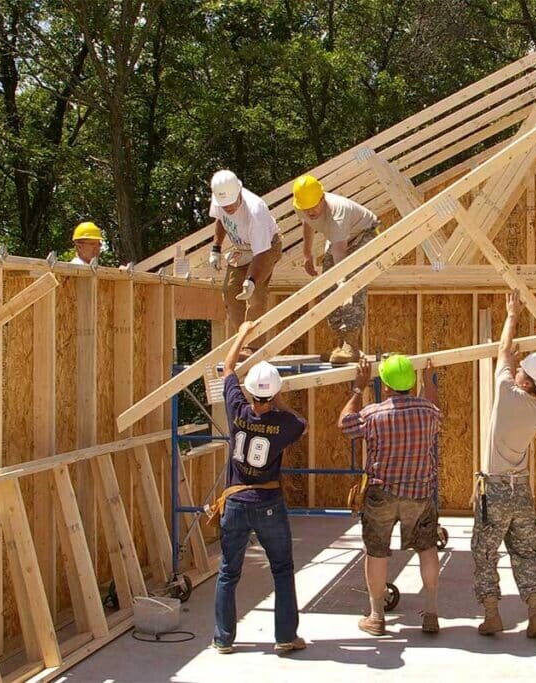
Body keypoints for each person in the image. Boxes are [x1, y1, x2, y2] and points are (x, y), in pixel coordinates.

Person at [211, 320, 308, 655]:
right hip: (267, 502)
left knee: (228, 573)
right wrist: (278, 403)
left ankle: (223, 639)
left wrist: (241, 333)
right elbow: (301, 423)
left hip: (236, 503)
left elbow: (227, 369)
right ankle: (285, 637)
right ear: (276, 393)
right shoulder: (284, 424)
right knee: (281, 569)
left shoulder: (237, 409)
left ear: (250, 392)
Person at [473, 290, 536, 639]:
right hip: (520, 489)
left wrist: (512, 315)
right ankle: (535, 611)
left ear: (524, 379)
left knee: (485, 552)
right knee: (524, 552)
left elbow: (504, 352)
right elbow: (512, 361)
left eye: (521, 370)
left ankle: (493, 614)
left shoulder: (506, 392)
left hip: (494, 488)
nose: (515, 369)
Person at [339, 354, 442, 636]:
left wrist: (358, 388)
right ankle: (431, 614)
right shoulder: (427, 412)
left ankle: (376, 616)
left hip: (381, 493)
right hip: (419, 493)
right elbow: (433, 405)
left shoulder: (374, 414)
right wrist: (429, 381)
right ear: (411, 382)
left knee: (377, 552)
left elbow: (345, 424)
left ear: (384, 385)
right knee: (427, 549)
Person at [292, 174, 379, 365]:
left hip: (364, 234)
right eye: (306, 209)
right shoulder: (302, 206)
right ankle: (341, 343)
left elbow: (340, 254)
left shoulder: (337, 213)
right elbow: (307, 223)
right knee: (327, 288)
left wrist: (343, 284)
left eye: (314, 207)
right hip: (338, 239)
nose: (310, 212)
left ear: (322, 198)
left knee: (352, 287)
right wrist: (307, 254)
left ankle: (351, 347)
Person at [208, 170, 283, 333]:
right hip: (242, 248)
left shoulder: (256, 211)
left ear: (239, 192)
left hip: (267, 247)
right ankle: (241, 340)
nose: (227, 208)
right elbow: (220, 220)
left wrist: (251, 280)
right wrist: (216, 248)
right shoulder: (219, 199)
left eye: (230, 204)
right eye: (224, 205)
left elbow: (261, 253)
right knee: (230, 291)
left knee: (255, 294)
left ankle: (253, 346)